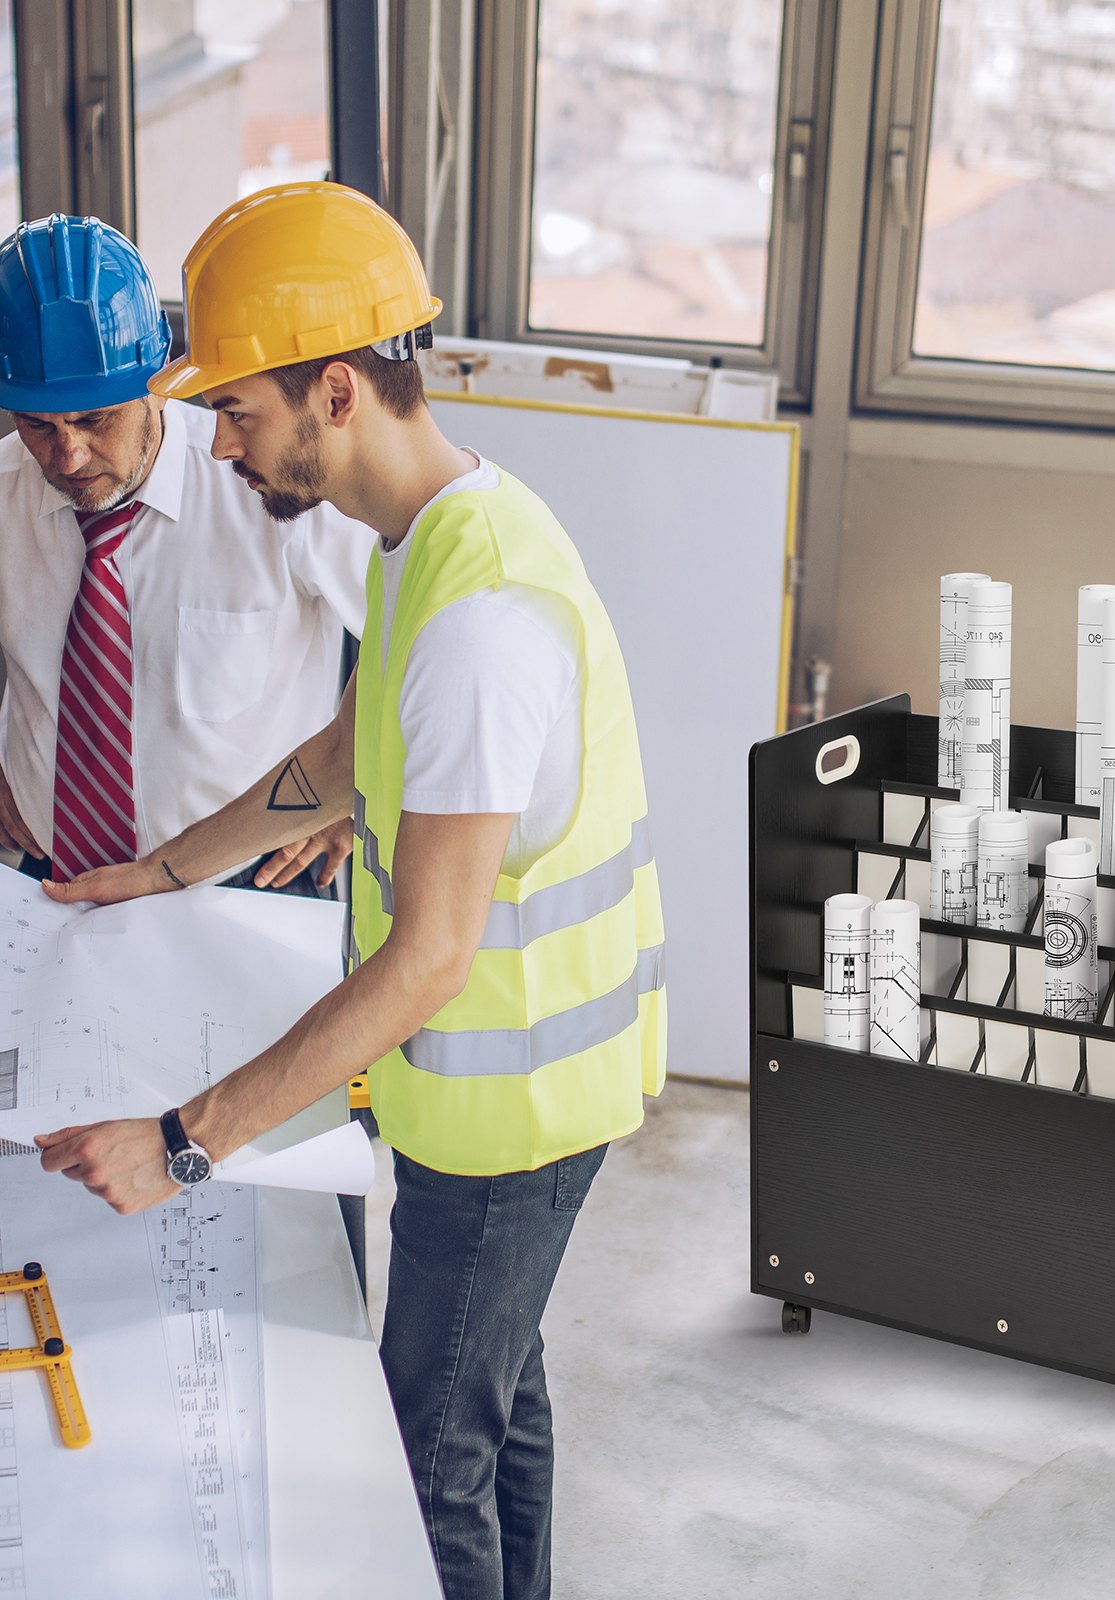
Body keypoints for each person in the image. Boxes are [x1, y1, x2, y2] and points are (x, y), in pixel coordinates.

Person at [36, 182, 667, 1600]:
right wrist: (166, 866)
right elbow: (345, 752)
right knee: (500, 1416)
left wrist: (183, 1142)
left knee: (426, 1455)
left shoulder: (481, 621)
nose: (222, 443)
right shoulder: (433, 546)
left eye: (239, 410)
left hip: (507, 1124)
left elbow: (429, 957)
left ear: (334, 391)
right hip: (488, 1108)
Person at [0, 214, 369, 894]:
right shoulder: (4, 494)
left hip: (240, 881)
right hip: (42, 876)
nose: (69, 455)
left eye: (95, 418)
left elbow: (412, 633)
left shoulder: (270, 482)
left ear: (161, 379)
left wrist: (360, 791)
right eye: (38, 426)